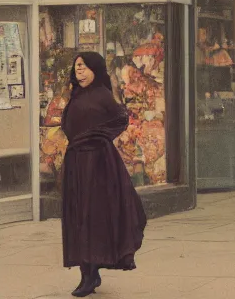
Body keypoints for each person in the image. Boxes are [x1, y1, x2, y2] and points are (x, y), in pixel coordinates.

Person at [61, 52, 148, 297]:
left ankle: (91, 274)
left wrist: (98, 136)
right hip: (76, 163)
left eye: (84, 66)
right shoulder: (76, 95)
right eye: (77, 66)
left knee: (91, 216)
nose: (79, 70)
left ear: (95, 70)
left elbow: (121, 118)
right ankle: (87, 273)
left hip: (97, 165)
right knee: (77, 216)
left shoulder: (102, 95)